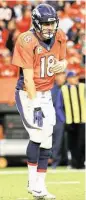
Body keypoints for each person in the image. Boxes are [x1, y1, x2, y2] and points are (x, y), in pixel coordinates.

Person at [12, 3, 67, 200]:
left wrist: (64, 65)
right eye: (45, 24)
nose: (50, 28)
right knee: (37, 133)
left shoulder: (60, 37)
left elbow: (60, 72)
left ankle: (40, 187)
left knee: (48, 139)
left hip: (46, 93)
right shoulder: (26, 40)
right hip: (28, 93)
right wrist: (35, 103)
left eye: (52, 23)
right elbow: (27, 78)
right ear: (36, 24)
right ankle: (31, 182)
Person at [55, 69, 85, 169]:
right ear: (68, 79)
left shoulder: (83, 87)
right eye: (72, 77)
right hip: (69, 121)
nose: (75, 79)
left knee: (82, 143)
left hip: (82, 120)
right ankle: (74, 163)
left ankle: (81, 163)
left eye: (76, 76)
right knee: (72, 144)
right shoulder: (63, 89)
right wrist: (63, 119)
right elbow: (59, 107)